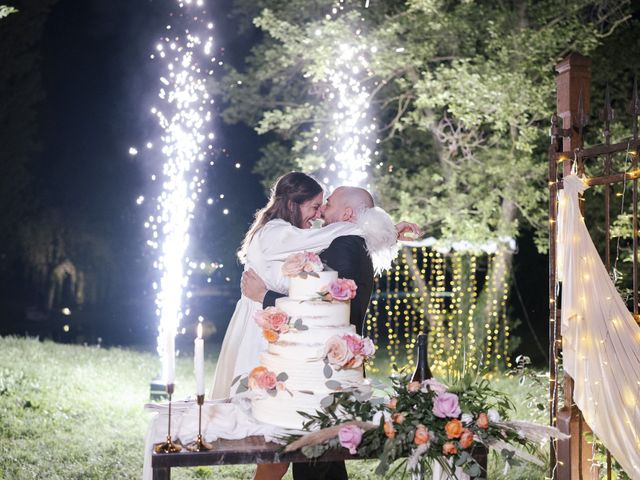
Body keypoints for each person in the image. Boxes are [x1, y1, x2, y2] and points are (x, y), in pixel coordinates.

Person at [242, 186, 419, 480]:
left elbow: (326, 306)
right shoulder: (346, 241)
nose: (322, 209)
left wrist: (266, 297)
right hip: (322, 363)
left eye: (329, 203)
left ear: (347, 213)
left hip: (327, 365)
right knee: (315, 456)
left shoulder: (344, 245)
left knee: (313, 455)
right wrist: (391, 231)